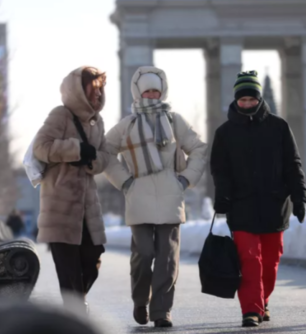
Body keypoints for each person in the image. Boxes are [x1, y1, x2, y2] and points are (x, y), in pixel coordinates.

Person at [103, 66, 208, 328]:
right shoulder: (127, 125)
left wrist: (185, 179)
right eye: (147, 90)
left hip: (171, 198)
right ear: (138, 92)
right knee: (144, 253)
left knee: (168, 257)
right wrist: (125, 182)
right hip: (138, 198)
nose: (152, 94)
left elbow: (198, 149)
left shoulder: (175, 121)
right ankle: (141, 300)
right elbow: (104, 154)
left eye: (156, 90)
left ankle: (162, 310)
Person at [211, 70, 306, 328]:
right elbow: (219, 170)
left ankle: (262, 299)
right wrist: (222, 197)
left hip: (275, 205)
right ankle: (251, 310)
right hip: (241, 206)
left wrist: (300, 198)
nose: (246, 104)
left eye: (251, 99)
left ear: (259, 99)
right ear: (236, 100)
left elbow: (293, 165)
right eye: (242, 100)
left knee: (271, 261)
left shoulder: (279, 127)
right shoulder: (225, 132)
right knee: (249, 259)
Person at [32, 66, 109, 315]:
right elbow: (41, 148)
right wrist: (75, 150)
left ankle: (76, 302)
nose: (98, 94)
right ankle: (75, 310)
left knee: (93, 256)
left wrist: (92, 160)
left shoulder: (98, 122)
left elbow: (105, 157)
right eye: (93, 89)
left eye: (100, 89)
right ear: (79, 90)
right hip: (60, 206)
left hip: (88, 207)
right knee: (68, 267)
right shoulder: (60, 115)